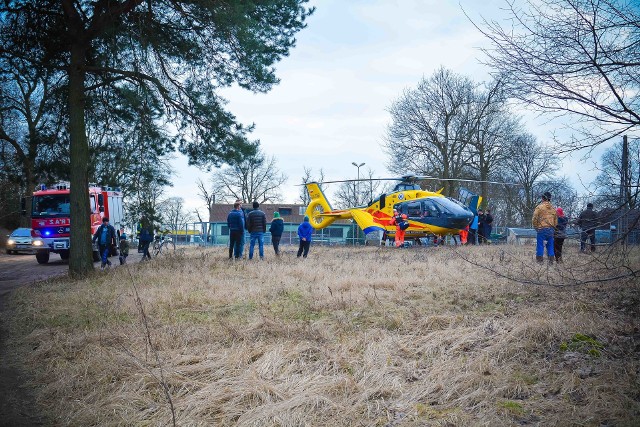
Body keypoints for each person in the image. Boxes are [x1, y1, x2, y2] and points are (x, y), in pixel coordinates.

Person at [532, 191, 557, 264]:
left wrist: (536, 227)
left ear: (543, 198)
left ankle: (540, 261)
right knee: (550, 245)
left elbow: (534, 218)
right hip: (551, 229)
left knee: (540, 245)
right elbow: (556, 221)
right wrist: (553, 228)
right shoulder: (553, 208)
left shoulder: (539, 207)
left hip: (541, 229)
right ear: (549, 199)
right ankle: (551, 261)